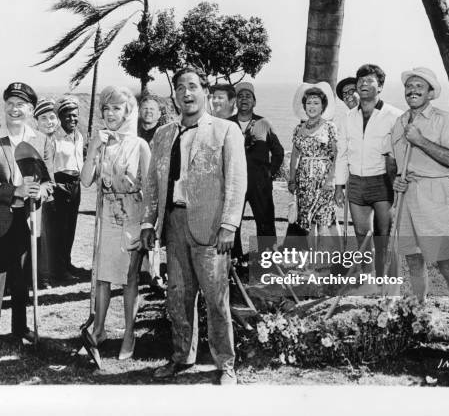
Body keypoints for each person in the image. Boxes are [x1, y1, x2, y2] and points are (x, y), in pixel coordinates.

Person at [141, 66, 247, 385]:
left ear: (204, 92)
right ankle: (181, 356)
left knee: (216, 298)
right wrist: (149, 221)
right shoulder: (163, 135)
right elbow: (151, 183)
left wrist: (229, 225)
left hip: (211, 226)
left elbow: (236, 181)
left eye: (193, 86)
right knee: (177, 296)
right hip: (173, 223)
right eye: (180, 88)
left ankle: (225, 364)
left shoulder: (226, 130)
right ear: (174, 95)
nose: (187, 93)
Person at [387, 67, 449, 351]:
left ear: (430, 92)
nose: (412, 90)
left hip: (433, 195)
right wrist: (396, 182)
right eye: (409, 85)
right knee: (413, 260)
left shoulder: (444, 120)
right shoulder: (399, 122)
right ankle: (419, 317)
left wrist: (420, 141)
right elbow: (395, 164)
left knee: (446, 262)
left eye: (419, 86)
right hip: (406, 195)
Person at [0, 82, 54, 363]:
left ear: (31, 110)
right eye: (10, 103)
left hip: (28, 220)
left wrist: (39, 192)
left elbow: (49, 182)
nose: (15, 109)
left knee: (21, 281)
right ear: (4, 106)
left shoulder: (41, 140)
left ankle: (20, 329)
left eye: (21, 104)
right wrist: (15, 191)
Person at [80, 86, 151, 360]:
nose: (110, 114)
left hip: (131, 216)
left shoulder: (139, 145)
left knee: (129, 279)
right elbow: (86, 181)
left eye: (116, 108)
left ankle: (129, 334)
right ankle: (98, 330)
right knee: (102, 276)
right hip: (107, 216)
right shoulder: (102, 143)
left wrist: (147, 225)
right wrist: (93, 149)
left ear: (127, 112)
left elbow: (151, 190)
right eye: (106, 108)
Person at [334, 64, 403, 279]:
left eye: (369, 80)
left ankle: (387, 282)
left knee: (384, 236)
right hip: (355, 183)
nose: (363, 84)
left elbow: (399, 154)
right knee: (362, 235)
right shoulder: (346, 118)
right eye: (360, 80)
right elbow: (342, 154)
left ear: (380, 86)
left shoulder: (395, 116)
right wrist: (339, 186)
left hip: (383, 182)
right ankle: (368, 279)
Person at [227, 82, 284, 261]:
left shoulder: (263, 123)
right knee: (232, 221)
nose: (244, 99)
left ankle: (266, 260)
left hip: (259, 182)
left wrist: (270, 172)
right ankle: (235, 260)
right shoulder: (227, 124)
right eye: (241, 96)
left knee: (265, 221)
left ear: (254, 102)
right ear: (235, 101)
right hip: (234, 182)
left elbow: (278, 151)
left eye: (248, 96)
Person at [287, 83, 338, 241]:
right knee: (308, 223)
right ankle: (312, 263)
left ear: (323, 106)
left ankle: (325, 262)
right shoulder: (298, 128)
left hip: (323, 182)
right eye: (309, 103)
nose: (312, 106)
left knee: (323, 222)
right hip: (304, 182)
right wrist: (292, 179)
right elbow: (295, 156)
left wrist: (330, 179)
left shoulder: (329, 127)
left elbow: (336, 155)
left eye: (316, 103)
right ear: (304, 106)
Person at [136, 94, 167, 294]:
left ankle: (155, 274)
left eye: (152, 109)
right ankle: (140, 271)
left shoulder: (164, 134)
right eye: (145, 108)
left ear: (159, 113)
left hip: (156, 190)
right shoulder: (133, 133)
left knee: (153, 234)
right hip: (134, 190)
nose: (148, 112)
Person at [53, 96, 85, 281]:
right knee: (60, 228)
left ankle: (67, 263)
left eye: (75, 116)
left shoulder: (79, 136)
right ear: (60, 117)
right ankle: (58, 269)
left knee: (71, 226)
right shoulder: (55, 137)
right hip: (60, 184)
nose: (72, 119)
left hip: (75, 184)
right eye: (68, 116)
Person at [33, 98, 59, 288]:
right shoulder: (33, 141)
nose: (49, 122)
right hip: (38, 193)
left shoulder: (55, 140)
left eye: (52, 117)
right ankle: (41, 277)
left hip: (53, 193)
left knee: (50, 237)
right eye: (44, 118)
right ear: (36, 121)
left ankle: (49, 273)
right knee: (38, 237)